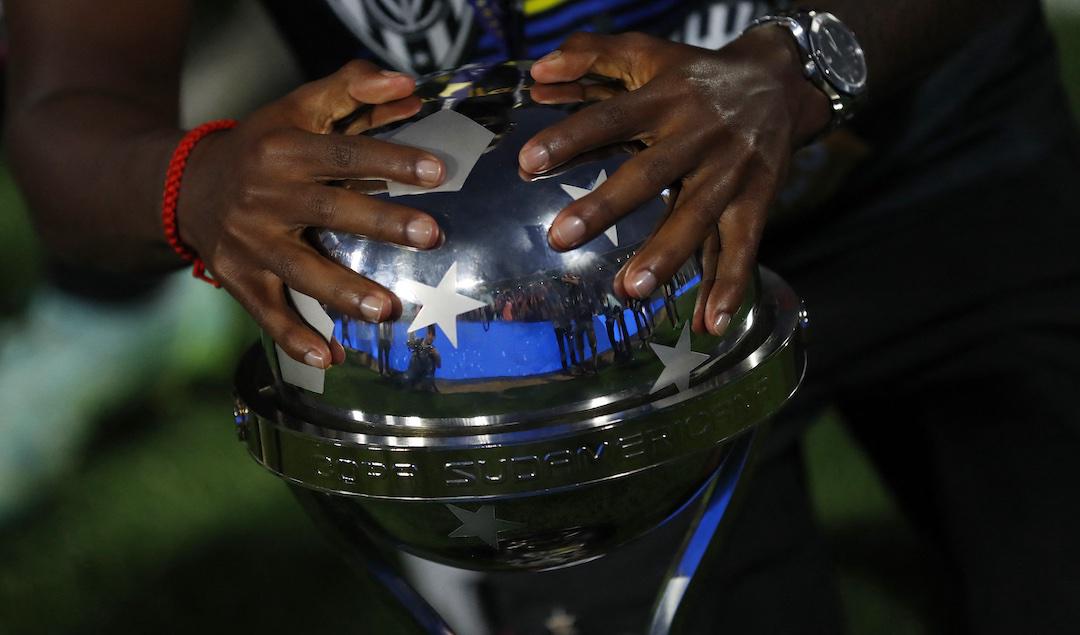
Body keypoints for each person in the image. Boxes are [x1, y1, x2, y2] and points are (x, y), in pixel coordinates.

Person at [5, 1, 1080, 634]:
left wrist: (802, 64)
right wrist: (197, 187)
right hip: (540, 325)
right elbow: (68, 114)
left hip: (930, 166)